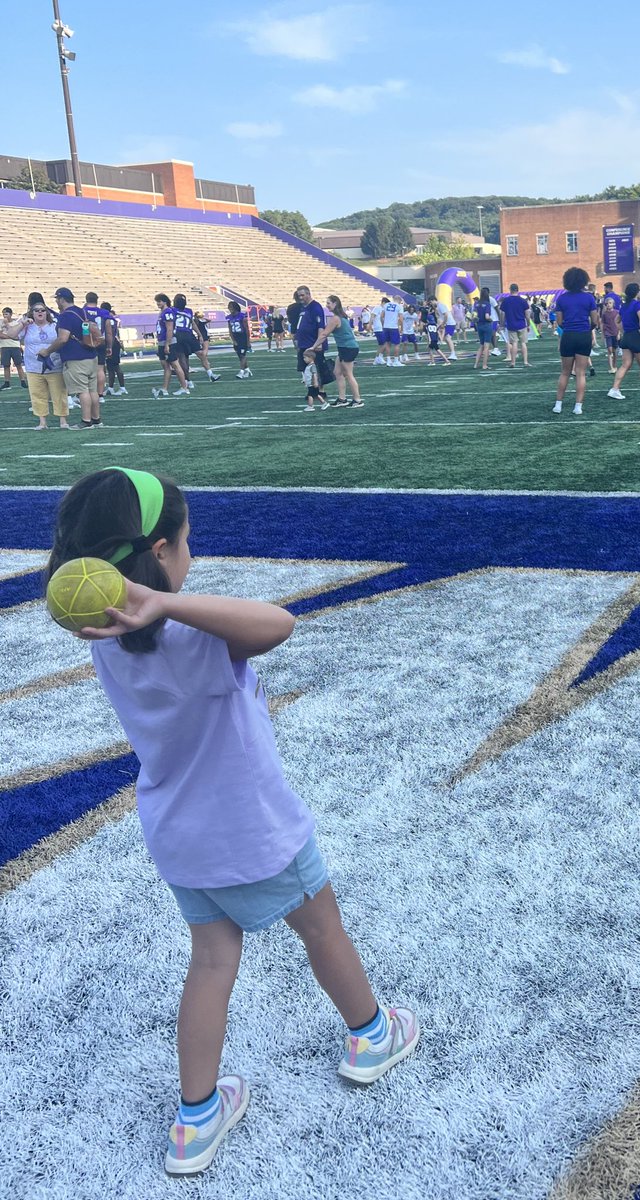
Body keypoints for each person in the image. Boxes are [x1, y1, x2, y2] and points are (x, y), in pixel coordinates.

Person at [46, 467, 419, 1176]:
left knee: (212, 963)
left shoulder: (104, 636)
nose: (191, 554)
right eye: (185, 544)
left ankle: (195, 1119)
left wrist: (148, 602)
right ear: (159, 554)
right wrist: (167, 604)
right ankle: (372, 1034)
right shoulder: (192, 638)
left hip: (179, 834)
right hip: (255, 827)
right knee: (321, 929)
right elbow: (278, 623)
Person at [37, 288, 103, 427]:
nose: (56, 302)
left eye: (57, 299)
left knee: (82, 391)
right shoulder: (82, 311)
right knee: (93, 391)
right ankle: (96, 419)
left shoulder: (66, 316)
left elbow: (63, 339)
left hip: (76, 358)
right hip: (91, 355)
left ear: (61, 299)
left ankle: (86, 421)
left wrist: (47, 351)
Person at [551, 267, 599, 416]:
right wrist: (587, 328)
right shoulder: (589, 298)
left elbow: (559, 321)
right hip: (583, 335)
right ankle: (578, 406)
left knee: (565, 372)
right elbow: (595, 320)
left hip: (568, 335)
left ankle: (558, 404)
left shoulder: (562, 298)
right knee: (581, 373)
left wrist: (569, 326)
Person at [20, 300, 70, 429]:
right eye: (36, 310)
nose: (40, 312)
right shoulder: (27, 327)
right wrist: (22, 324)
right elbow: (12, 334)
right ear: (32, 313)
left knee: (59, 393)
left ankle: (63, 420)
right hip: (33, 367)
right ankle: (42, 422)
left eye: (42, 310)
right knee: (37, 395)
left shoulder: (54, 326)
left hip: (54, 365)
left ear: (46, 312)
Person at [607, 283, 640, 401]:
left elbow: (617, 320)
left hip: (626, 337)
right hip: (636, 336)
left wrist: (622, 330)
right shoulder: (637, 304)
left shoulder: (624, 306)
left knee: (625, 365)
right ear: (637, 292)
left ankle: (614, 389)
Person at [325, 295, 364, 407]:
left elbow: (324, 334)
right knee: (337, 372)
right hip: (343, 348)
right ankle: (342, 399)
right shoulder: (340, 316)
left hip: (348, 348)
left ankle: (357, 400)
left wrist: (314, 346)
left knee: (349, 374)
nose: (327, 305)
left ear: (335, 303)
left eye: (328, 303)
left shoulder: (336, 318)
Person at [293, 286, 330, 402]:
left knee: (317, 369)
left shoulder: (315, 307)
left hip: (312, 343)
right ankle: (312, 392)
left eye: (303, 295)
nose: (301, 297)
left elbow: (320, 326)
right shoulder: (303, 308)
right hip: (304, 343)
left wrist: (318, 343)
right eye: (299, 295)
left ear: (309, 294)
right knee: (307, 370)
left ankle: (321, 392)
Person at [172, 295, 220, 383]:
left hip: (180, 335)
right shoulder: (187, 311)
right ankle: (208, 374)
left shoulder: (173, 310)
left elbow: (192, 323)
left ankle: (190, 380)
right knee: (196, 355)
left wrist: (199, 334)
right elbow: (192, 324)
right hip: (187, 334)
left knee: (184, 358)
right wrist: (199, 335)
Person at [151, 295, 190, 400]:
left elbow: (169, 329)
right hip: (162, 341)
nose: (158, 303)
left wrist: (168, 344)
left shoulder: (168, 312)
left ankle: (184, 387)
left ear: (165, 301)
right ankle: (165, 388)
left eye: (159, 301)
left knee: (175, 365)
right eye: (157, 302)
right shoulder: (162, 312)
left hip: (168, 342)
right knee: (166, 366)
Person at [83, 292, 114, 398]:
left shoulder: (83, 312)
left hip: (87, 342)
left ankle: (86, 393)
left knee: (86, 369)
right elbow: (109, 331)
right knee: (100, 369)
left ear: (86, 300)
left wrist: (86, 340)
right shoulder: (104, 312)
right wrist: (109, 346)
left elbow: (85, 327)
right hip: (100, 341)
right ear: (97, 300)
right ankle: (100, 395)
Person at [499, 284, 530, 368]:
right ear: (517, 290)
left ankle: (513, 362)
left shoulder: (506, 301)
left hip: (511, 324)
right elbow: (527, 314)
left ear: (510, 290)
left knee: (514, 343)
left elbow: (502, 313)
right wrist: (528, 324)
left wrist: (501, 324)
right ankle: (525, 362)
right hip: (521, 324)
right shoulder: (523, 301)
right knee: (523, 343)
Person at [0, 307, 28, 390]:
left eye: (6, 314)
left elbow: (17, 335)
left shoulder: (16, 323)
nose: (5, 316)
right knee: (6, 365)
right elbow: (1, 335)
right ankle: (7, 382)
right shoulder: (1, 323)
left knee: (18, 364)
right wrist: (11, 336)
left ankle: (23, 381)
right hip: (4, 346)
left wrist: (8, 327)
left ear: (11, 314)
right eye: (3, 314)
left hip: (15, 346)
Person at [226, 302, 252, 379]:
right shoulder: (229, 317)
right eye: (229, 307)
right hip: (236, 337)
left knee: (242, 355)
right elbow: (230, 330)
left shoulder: (242, 316)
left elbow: (247, 330)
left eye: (231, 307)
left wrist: (248, 341)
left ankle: (241, 372)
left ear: (235, 307)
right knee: (240, 356)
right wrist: (233, 340)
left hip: (242, 337)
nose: (229, 308)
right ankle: (247, 370)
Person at [472, 287, 495, 371]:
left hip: (479, 326)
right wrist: (491, 320)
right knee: (486, 346)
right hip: (486, 325)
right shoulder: (487, 304)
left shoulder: (476, 304)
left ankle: (476, 364)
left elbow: (474, 316)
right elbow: (487, 316)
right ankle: (484, 365)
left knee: (481, 345)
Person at [600, 297, 621, 373]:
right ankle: (611, 367)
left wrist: (619, 333)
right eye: (607, 304)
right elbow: (602, 323)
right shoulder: (604, 314)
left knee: (614, 351)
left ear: (613, 304)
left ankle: (614, 365)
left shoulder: (617, 312)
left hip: (615, 333)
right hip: (607, 333)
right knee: (609, 350)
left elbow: (619, 323)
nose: (608, 305)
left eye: (610, 303)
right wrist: (602, 334)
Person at [381, 297, 403, 367]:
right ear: (399, 301)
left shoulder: (386, 305)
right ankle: (396, 361)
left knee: (388, 343)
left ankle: (388, 360)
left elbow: (381, 316)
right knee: (397, 344)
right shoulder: (399, 306)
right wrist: (402, 328)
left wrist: (383, 324)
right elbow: (401, 319)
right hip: (394, 327)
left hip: (386, 327)